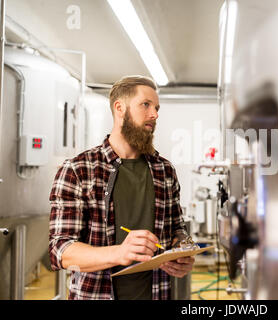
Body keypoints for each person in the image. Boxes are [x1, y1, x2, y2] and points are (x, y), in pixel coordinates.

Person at [49, 75, 194, 300]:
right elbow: (61, 250)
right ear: (120, 108)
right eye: (145, 105)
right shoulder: (79, 169)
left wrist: (181, 250)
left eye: (156, 108)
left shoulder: (164, 171)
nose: (154, 114)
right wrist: (119, 252)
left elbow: (177, 228)